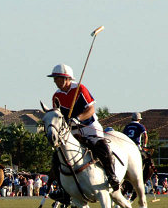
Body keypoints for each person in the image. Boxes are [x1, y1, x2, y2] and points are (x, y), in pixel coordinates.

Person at [48, 63, 120, 193]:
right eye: (54, 78)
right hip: (71, 130)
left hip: (89, 126)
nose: (55, 81)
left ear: (67, 78)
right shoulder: (56, 96)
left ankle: (111, 175)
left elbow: (91, 109)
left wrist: (78, 118)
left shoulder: (80, 89)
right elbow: (57, 116)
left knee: (102, 147)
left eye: (58, 78)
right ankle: (63, 189)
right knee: (58, 156)